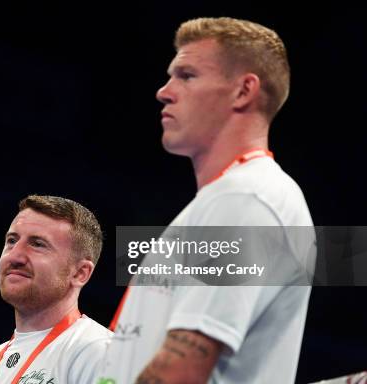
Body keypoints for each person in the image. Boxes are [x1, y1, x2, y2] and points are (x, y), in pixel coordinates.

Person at [97, 17, 316, 383]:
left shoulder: (246, 198)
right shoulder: (224, 199)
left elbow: (182, 371)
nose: (164, 91)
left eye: (186, 75)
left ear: (243, 91)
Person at [0, 195, 112, 384]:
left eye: (38, 244)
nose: (14, 256)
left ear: (80, 273)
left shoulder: (99, 352)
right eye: (12, 241)